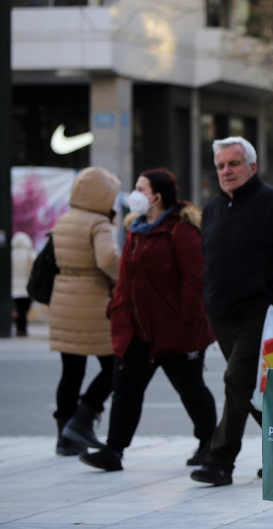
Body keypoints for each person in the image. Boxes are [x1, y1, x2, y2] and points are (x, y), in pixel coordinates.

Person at [79, 169, 217, 472]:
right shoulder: (136, 229)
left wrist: (187, 321)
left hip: (176, 331)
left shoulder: (180, 231)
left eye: (140, 188)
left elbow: (195, 281)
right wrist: (116, 308)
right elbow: (125, 277)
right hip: (136, 330)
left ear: (156, 196)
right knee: (126, 389)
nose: (134, 194)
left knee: (191, 389)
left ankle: (210, 444)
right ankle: (114, 451)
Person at [190, 137, 273, 486]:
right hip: (221, 314)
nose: (226, 171)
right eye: (220, 165)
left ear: (252, 166)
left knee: (236, 383)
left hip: (261, 315)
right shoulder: (212, 210)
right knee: (250, 389)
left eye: (233, 163)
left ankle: (220, 461)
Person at [49, 167, 119, 456]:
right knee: (115, 365)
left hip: (64, 298)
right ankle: (83, 418)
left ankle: (65, 436)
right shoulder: (98, 223)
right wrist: (122, 279)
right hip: (92, 301)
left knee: (71, 371)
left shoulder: (65, 220)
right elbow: (107, 259)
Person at [11, 231, 36, 337]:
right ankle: (22, 328)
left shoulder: (10, 254)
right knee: (24, 310)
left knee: (17, 309)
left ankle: (19, 327)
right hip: (27, 287)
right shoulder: (31, 254)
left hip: (13, 287)